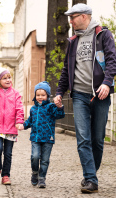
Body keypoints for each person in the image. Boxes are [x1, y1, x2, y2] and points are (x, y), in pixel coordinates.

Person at [54, 3, 116, 193]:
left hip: (100, 93)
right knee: (83, 138)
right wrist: (59, 92)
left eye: (73, 17)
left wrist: (107, 82)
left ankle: (91, 174)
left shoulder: (103, 34)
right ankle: (91, 179)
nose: (70, 21)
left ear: (84, 16)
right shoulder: (73, 40)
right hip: (79, 95)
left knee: (97, 139)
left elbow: (113, 60)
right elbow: (67, 69)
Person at [18, 81, 65, 188]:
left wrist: (60, 106)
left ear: (47, 95)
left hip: (48, 138)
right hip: (35, 137)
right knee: (34, 157)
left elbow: (60, 115)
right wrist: (23, 126)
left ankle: (42, 178)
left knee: (44, 160)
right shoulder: (33, 109)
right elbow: (30, 120)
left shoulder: (51, 107)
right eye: (38, 95)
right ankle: (35, 172)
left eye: (43, 95)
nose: (40, 97)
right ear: (35, 95)